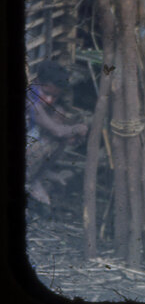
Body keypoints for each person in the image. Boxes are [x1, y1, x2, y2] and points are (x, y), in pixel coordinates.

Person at [26, 60, 88, 209]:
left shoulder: (50, 105)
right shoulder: (30, 100)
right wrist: (78, 128)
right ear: (36, 82)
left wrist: (71, 134)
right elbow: (57, 131)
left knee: (60, 126)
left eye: (54, 97)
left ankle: (39, 176)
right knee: (41, 146)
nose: (49, 100)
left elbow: (60, 130)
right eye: (46, 93)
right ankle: (30, 182)